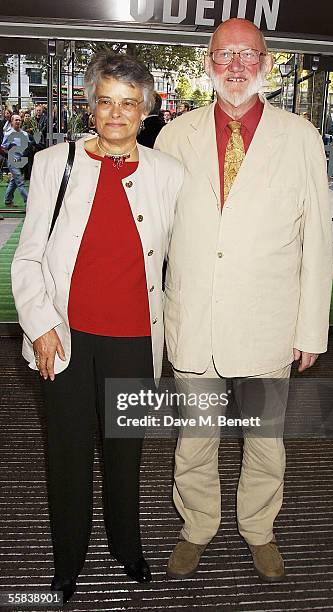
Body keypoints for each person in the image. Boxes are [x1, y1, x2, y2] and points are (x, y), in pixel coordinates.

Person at [155, 18, 333, 582]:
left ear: (266, 63)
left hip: (267, 325)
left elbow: (318, 240)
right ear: (208, 62)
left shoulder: (300, 137)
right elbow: (152, 237)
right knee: (195, 439)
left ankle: (259, 529)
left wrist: (311, 329)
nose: (236, 65)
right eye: (224, 54)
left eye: (248, 55)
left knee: (265, 442)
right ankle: (197, 527)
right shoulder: (173, 135)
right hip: (195, 322)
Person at [11, 51, 183, 604]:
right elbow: (27, 257)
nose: (116, 114)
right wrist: (39, 325)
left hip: (134, 339)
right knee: (66, 450)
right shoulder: (51, 165)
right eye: (105, 101)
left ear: (146, 110)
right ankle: (68, 559)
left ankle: (126, 544)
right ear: (91, 106)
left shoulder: (168, 175)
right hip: (65, 337)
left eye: (129, 104)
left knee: (126, 450)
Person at [1, 114, 30, 207]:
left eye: (19, 120)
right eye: (16, 120)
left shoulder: (25, 134)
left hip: (22, 160)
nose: (18, 122)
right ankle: (28, 202)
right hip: (12, 160)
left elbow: (27, 147)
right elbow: (3, 148)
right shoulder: (8, 134)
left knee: (14, 181)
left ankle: (8, 201)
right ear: (12, 122)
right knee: (20, 182)